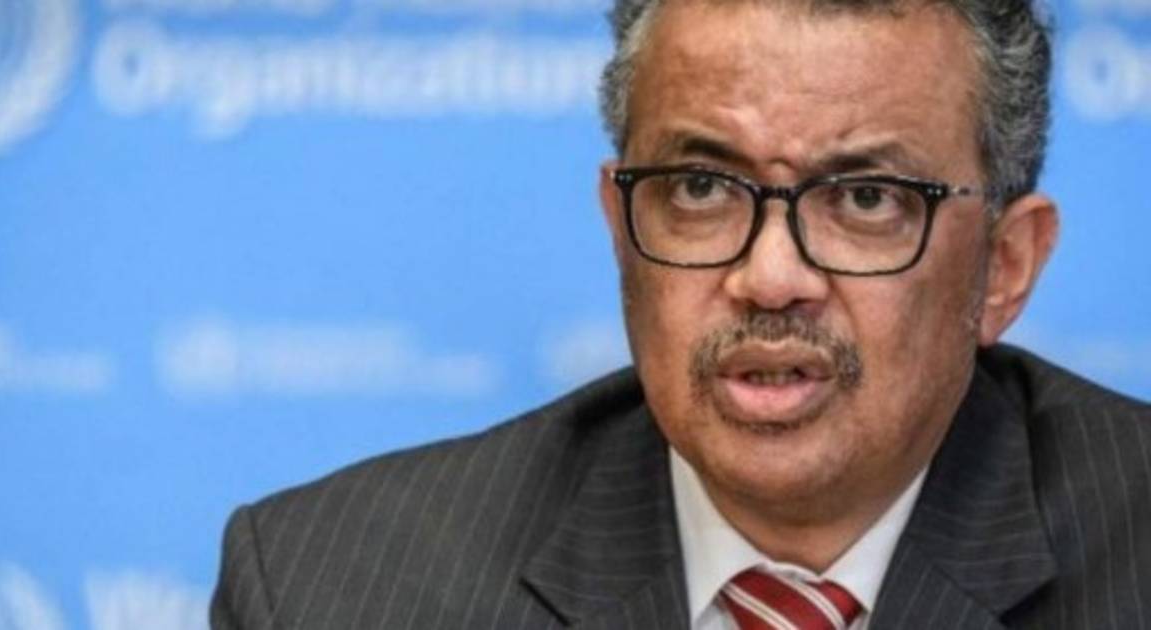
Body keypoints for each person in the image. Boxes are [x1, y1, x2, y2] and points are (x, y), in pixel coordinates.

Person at [210, 1, 1151, 628]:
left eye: (866, 199)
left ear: (1004, 267)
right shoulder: (327, 591)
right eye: (701, 187)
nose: (770, 277)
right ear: (621, 227)